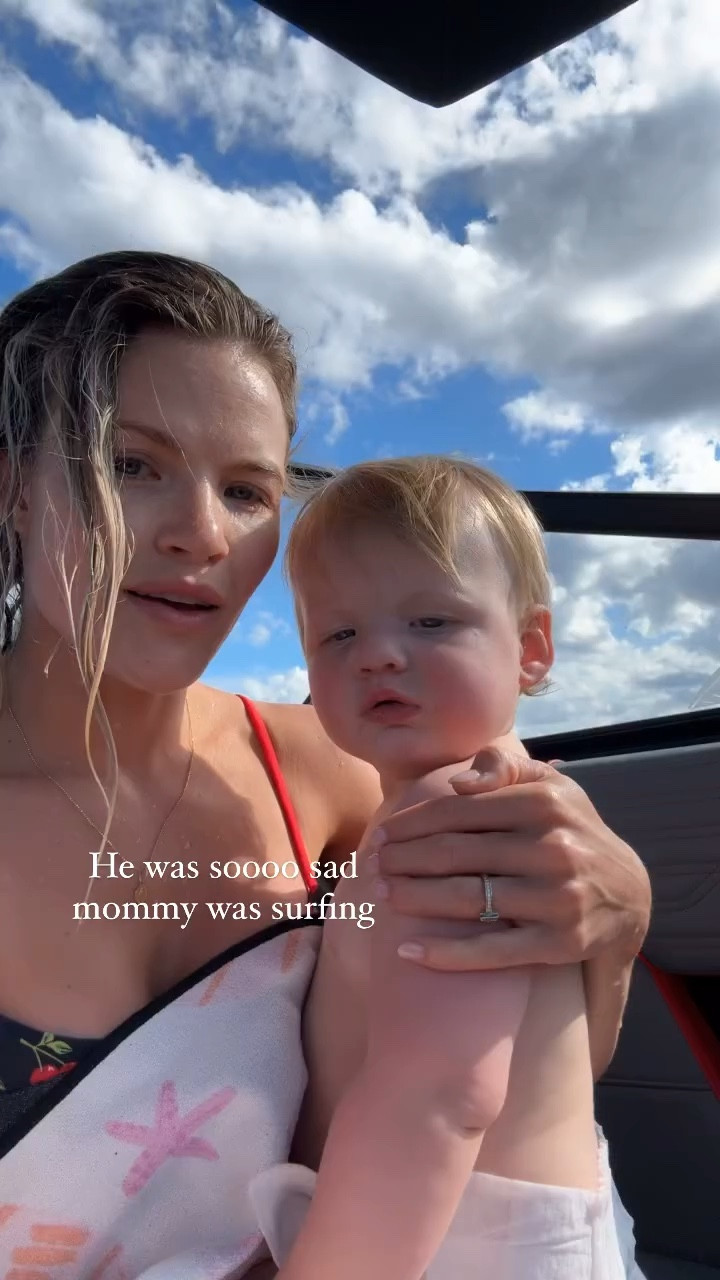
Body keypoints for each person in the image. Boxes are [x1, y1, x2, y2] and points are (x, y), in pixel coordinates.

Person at [0, 250, 650, 1279]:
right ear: (14, 489)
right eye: (131, 464)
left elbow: (517, 1072)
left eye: (246, 489)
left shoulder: (341, 770)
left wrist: (612, 927)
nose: (203, 534)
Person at [247, 455, 633, 1279]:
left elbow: (439, 1098)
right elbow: (566, 1058)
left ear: (530, 649)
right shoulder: (488, 807)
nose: (378, 655)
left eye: (430, 621)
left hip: (452, 1243)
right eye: (339, 634)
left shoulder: (452, 817)